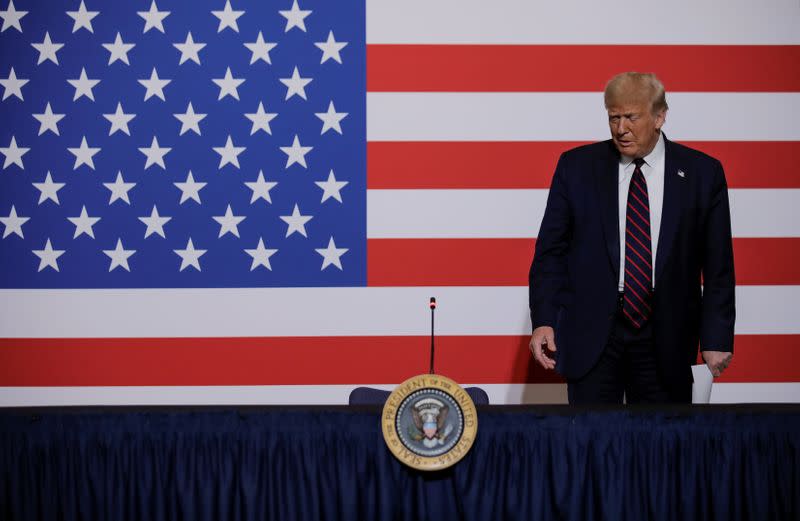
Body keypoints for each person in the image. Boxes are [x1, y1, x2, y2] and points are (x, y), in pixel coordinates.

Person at [528, 72, 735, 404]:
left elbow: (718, 265)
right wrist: (544, 320)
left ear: (659, 116)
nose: (620, 128)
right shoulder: (576, 167)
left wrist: (716, 336)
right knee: (591, 446)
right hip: (593, 333)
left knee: (662, 448)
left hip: (666, 334)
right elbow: (551, 253)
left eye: (631, 117)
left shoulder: (702, 173)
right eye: (614, 117)